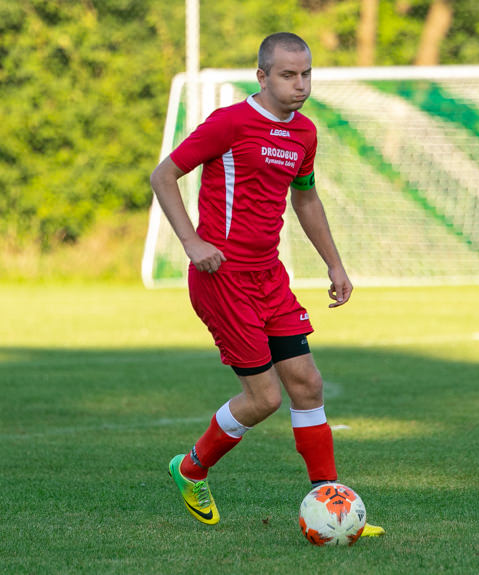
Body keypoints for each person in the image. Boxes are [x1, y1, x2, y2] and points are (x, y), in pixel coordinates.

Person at [150, 32, 384, 536]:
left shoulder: (305, 133)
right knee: (264, 400)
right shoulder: (229, 123)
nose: (300, 85)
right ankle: (190, 470)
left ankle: (335, 507)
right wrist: (192, 243)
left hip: (268, 275)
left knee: (307, 384)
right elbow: (164, 175)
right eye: (287, 75)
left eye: (306, 74)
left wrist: (335, 265)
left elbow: (306, 200)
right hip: (222, 277)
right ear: (262, 76)